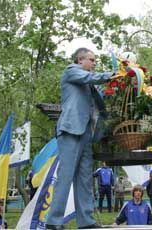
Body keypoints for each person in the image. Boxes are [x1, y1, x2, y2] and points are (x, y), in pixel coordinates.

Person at [46, 47, 116, 230]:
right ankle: (53, 221)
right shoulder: (71, 71)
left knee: (85, 178)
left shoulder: (90, 83)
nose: (94, 64)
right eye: (91, 60)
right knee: (65, 176)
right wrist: (112, 74)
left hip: (86, 133)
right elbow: (90, 77)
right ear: (80, 60)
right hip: (70, 130)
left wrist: (117, 86)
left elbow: (102, 102)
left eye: (94, 61)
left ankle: (85, 221)